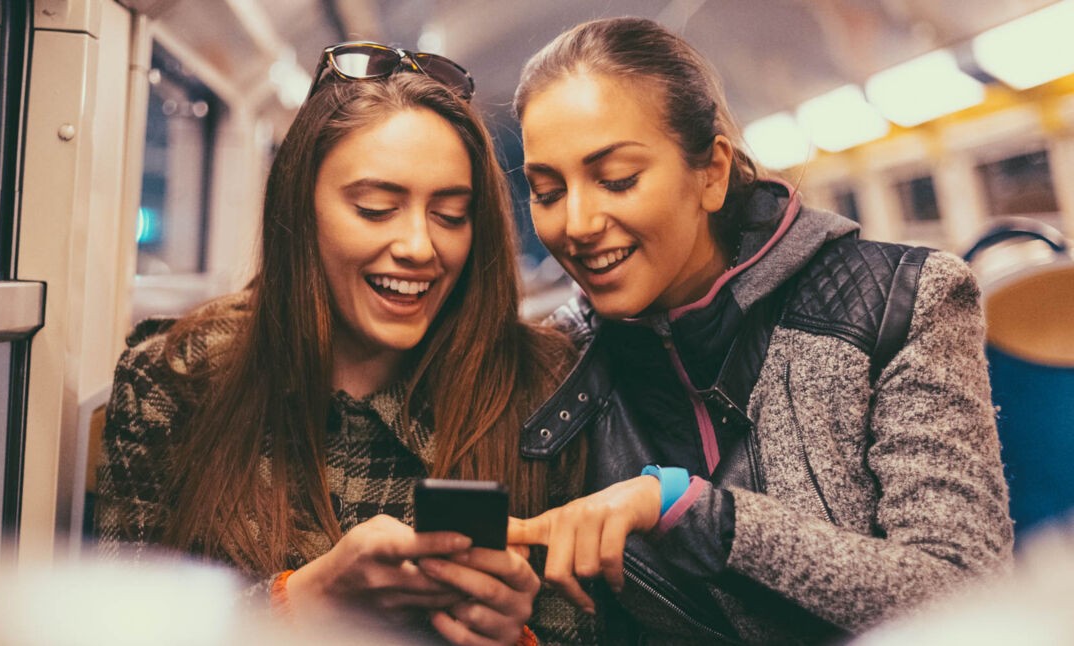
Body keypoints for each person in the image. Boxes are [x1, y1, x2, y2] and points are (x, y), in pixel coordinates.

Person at [506, 17, 1014, 644]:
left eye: (617, 180)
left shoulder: (902, 304)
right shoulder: (558, 363)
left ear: (712, 173)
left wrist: (688, 511)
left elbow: (967, 595)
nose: (576, 223)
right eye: (547, 191)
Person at [97, 42, 598, 645]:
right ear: (301, 208)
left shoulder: (545, 389)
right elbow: (123, 625)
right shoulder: (176, 380)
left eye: (450, 215)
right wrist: (302, 600)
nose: (419, 245)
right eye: (376, 208)